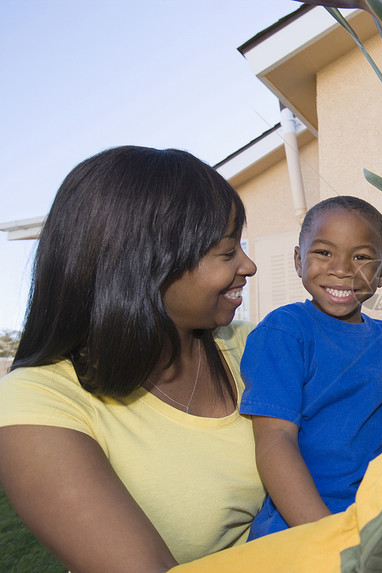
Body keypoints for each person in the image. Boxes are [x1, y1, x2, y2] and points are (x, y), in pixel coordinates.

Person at [0, 145, 263, 572]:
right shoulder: (39, 403)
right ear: (147, 265)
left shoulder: (251, 347)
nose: (248, 266)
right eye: (228, 251)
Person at [239, 196, 382, 547]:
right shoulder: (285, 332)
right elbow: (274, 440)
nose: (342, 268)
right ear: (299, 261)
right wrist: (329, 537)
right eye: (324, 253)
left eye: (361, 257)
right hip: (304, 527)